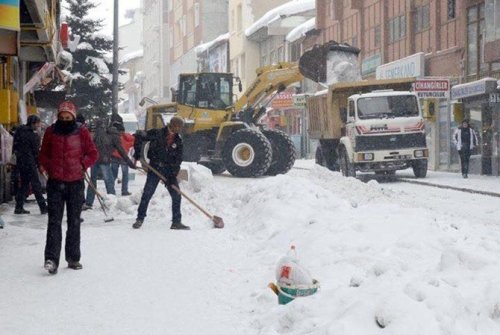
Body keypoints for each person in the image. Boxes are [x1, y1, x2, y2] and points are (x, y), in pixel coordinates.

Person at [39, 101, 98, 274]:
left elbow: (93, 153)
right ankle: (51, 259)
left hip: (75, 183)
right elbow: (43, 154)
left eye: (68, 117)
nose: (65, 120)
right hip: (55, 183)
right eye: (62, 117)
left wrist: (83, 164)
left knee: (74, 222)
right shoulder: (51, 131)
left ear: (73, 116)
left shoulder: (81, 132)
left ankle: (73, 258)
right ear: (58, 117)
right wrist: (47, 168)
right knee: (54, 222)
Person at [132, 116, 189, 230]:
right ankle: (140, 218)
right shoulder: (157, 133)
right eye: (177, 126)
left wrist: (173, 173)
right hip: (155, 168)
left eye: (180, 127)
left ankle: (176, 222)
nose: (179, 129)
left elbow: (178, 159)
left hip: (169, 171)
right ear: (172, 125)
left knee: (176, 195)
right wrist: (138, 155)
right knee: (147, 194)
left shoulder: (178, 140)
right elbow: (139, 136)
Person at [82, 119, 135, 210]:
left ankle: (88, 203)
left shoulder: (99, 133)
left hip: (94, 160)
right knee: (108, 181)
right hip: (104, 160)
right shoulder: (114, 136)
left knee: (93, 180)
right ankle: (112, 202)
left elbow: (89, 146)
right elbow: (121, 150)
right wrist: (129, 162)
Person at [12, 115, 47, 215]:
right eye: (38, 123)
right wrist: (38, 164)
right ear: (34, 123)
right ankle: (43, 208)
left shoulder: (19, 131)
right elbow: (36, 152)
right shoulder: (33, 135)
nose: (39, 125)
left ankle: (18, 207)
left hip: (21, 162)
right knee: (36, 185)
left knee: (24, 185)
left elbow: (15, 145)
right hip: (29, 163)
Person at [110, 120, 135, 196]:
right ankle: (124, 191)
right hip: (124, 157)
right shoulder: (128, 137)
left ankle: (111, 191)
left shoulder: (114, 137)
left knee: (113, 174)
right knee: (125, 174)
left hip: (115, 157)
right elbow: (133, 141)